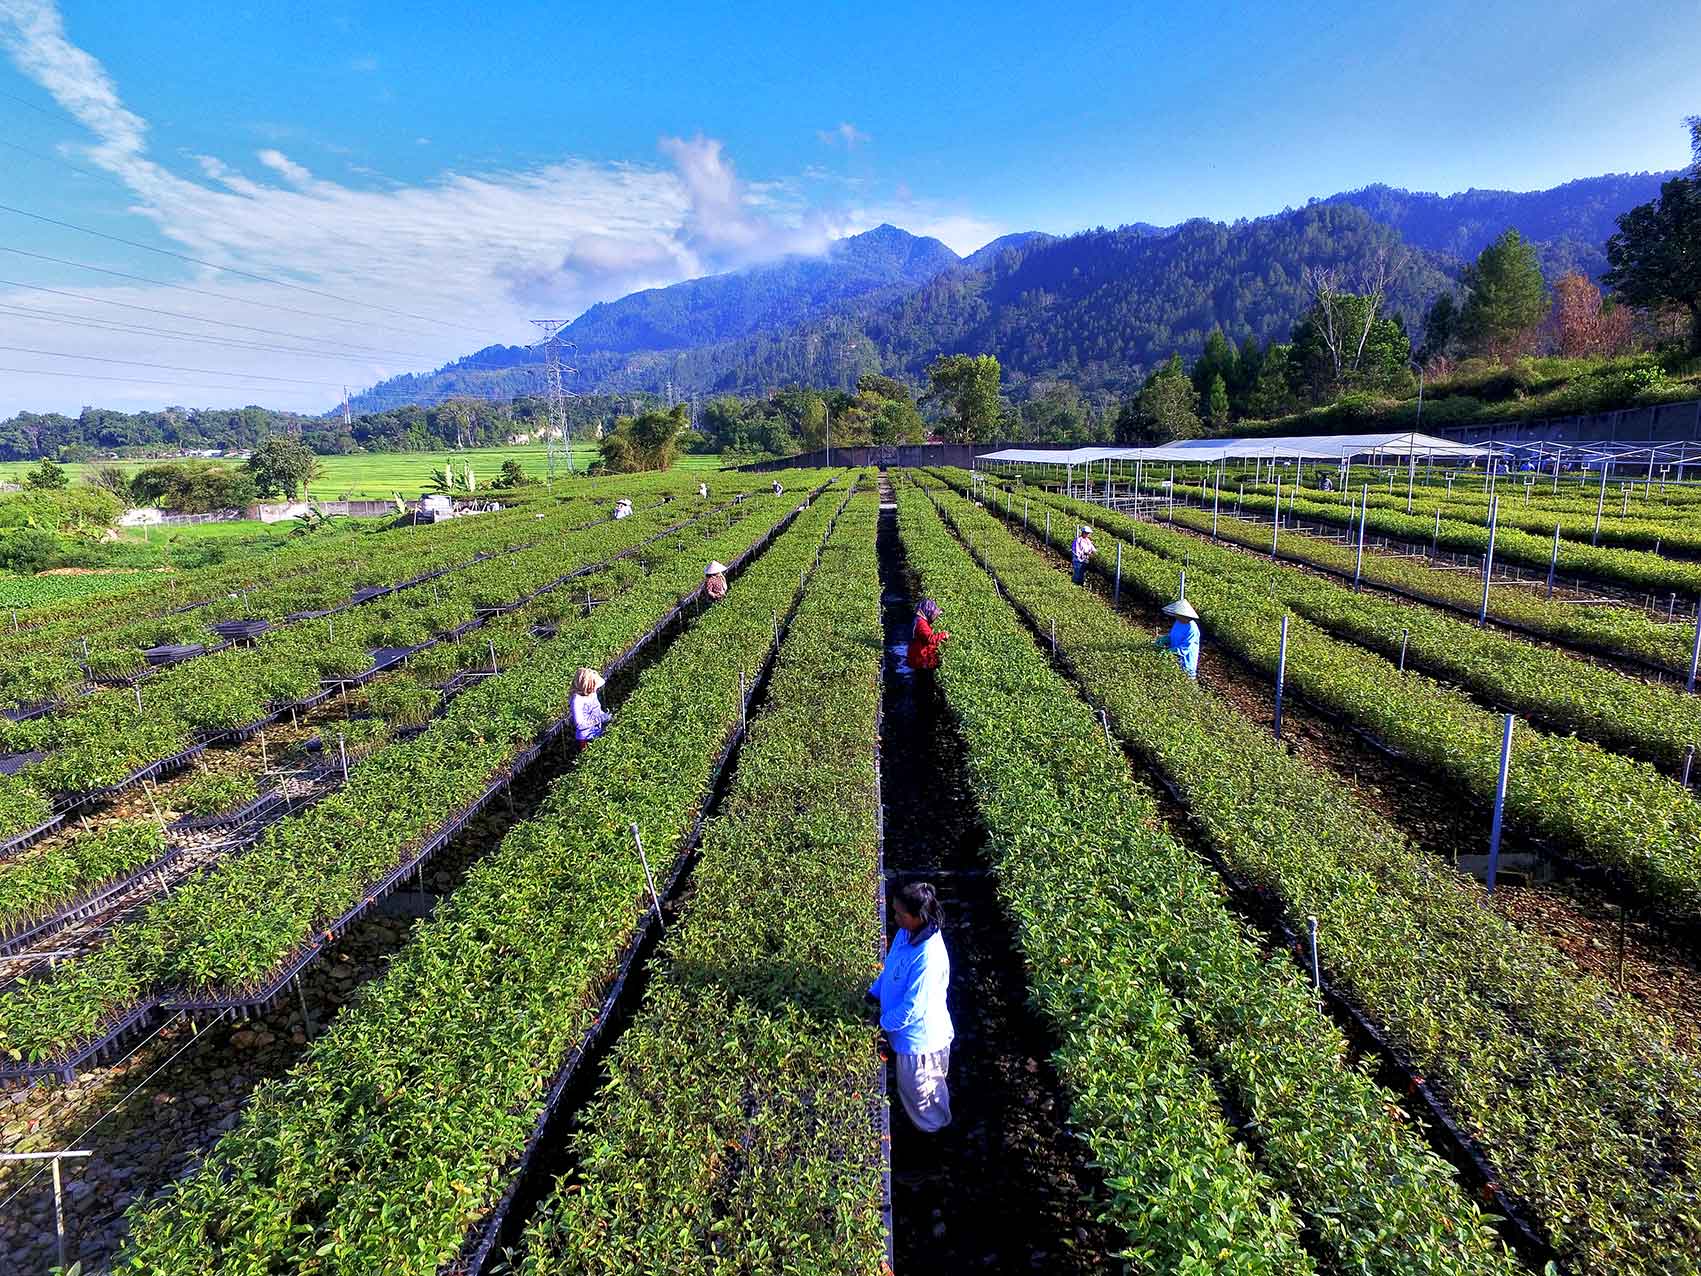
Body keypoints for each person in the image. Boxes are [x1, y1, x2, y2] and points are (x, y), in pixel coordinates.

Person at [869, 881, 953, 1132]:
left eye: (900, 914)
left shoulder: (928, 957)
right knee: (916, 1093)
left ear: (919, 916)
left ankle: (934, 1140)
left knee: (925, 1097)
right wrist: (873, 994)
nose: (895, 918)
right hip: (906, 1037)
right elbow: (891, 968)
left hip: (921, 1046)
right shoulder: (906, 934)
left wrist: (880, 1023)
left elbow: (912, 1009)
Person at [1154, 598, 1201, 679]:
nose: (1177, 617)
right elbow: (1174, 635)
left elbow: (1186, 647)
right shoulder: (1178, 622)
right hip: (1175, 659)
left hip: (1186, 660)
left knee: (1185, 677)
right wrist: (1165, 639)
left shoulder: (1192, 629)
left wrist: (1170, 652)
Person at [570, 667, 612, 750]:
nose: (596, 688)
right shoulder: (577, 700)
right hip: (586, 738)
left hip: (598, 731)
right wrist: (599, 719)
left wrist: (605, 716)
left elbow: (597, 710)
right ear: (587, 685)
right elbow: (580, 725)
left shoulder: (592, 694)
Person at [907, 598, 949, 671]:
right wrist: (943, 635)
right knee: (923, 679)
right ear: (927, 612)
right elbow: (930, 639)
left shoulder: (920, 620)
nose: (935, 616)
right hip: (921, 659)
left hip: (918, 656)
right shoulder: (921, 624)